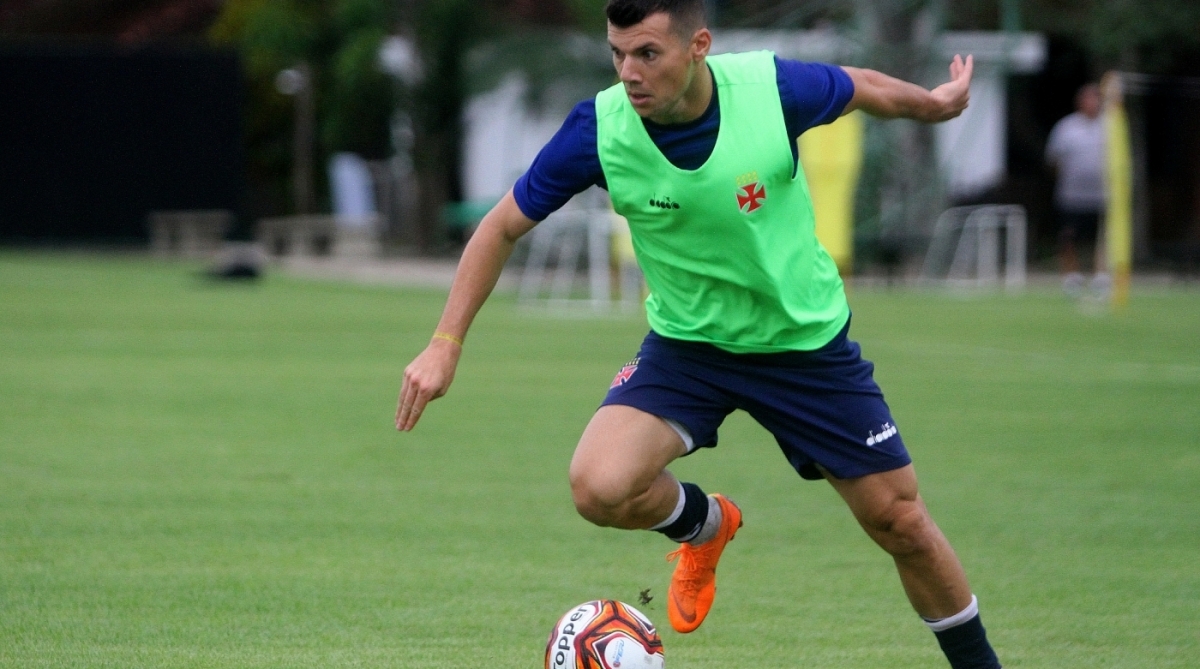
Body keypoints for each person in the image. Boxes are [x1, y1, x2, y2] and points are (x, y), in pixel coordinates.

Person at [396, 1, 1001, 667]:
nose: (629, 72)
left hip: (803, 347)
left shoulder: (770, 91)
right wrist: (445, 343)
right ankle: (705, 526)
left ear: (698, 47)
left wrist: (934, 106)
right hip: (689, 348)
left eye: (648, 53)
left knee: (902, 523)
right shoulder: (599, 129)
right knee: (597, 485)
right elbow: (500, 225)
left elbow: (862, 85)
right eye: (617, 53)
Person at [1045, 83, 1108, 298]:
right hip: (1071, 195)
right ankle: (1072, 277)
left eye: (1096, 98)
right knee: (1069, 236)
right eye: (1089, 98)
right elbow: (1054, 160)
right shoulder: (1066, 127)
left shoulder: (1110, 126)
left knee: (1102, 237)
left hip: (1103, 195)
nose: (1093, 103)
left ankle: (1101, 276)